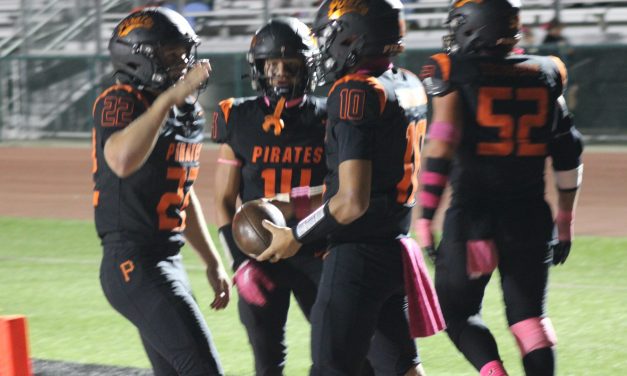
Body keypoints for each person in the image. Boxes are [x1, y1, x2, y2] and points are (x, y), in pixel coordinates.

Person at [257, 1, 445, 375]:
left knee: (331, 367)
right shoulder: (407, 83)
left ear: (353, 36)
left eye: (329, 34)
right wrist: (298, 200)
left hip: (358, 257)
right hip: (395, 247)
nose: (324, 46)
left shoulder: (354, 90)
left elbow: (351, 201)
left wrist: (296, 234)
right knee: (403, 367)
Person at [416, 0, 583, 375]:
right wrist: (566, 221)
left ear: (473, 27)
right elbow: (569, 151)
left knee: (457, 313)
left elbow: (441, 143)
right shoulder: (546, 72)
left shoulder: (451, 70)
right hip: (529, 219)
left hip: (473, 219)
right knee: (529, 320)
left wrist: (425, 216)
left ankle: (493, 372)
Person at [93, 7, 230, 376]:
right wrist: (166, 102)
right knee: (202, 368)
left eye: (185, 53)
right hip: (131, 261)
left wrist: (212, 259)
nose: (183, 63)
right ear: (139, 57)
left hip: (168, 259)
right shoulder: (120, 100)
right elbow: (121, 160)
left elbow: (181, 191)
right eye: (172, 55)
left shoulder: (186, 112)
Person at [211, 17, 327, 375]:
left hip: (316, 249)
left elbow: (344, 188)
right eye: (270, 65)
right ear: (257, 67)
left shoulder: (330, 116)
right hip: (258, 253)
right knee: (267, 360)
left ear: (307, 67)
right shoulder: (237, 116)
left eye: (289, 65)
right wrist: (239, 262)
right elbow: (224, 200)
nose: (278, 72)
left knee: (338, 353)